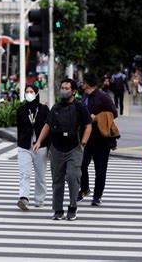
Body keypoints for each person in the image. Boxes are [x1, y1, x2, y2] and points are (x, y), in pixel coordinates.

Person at [34, 79, 92, 220]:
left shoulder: (79, 107)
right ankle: (58, 210)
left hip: (74, 148)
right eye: (62, 87)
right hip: (57, 148)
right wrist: (39, 141)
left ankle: (72, 207)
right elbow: (47, 125)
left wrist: (83, 143)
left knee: (73, 177)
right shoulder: (56, 107)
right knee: (57, 181)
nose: (64, 90)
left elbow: (88, 125)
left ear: (73, 91)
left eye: (67, 88)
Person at [78, 73, 118, 206]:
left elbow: (114, 113)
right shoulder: (84, 96)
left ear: (88, 83)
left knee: (100, 169)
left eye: (83, 82)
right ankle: (85, 188)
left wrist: (98, 117)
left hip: (101, 139)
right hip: (87, 138)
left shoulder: (103, 97)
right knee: (82, 165)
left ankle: (97, 195)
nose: (81, 84)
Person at [15, 85, 50, 211]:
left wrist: (49, 147)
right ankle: (23, 198)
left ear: (36, 94)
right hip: (24, 146)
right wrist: (20, 143)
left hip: (41, 147)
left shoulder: (44, 109)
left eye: (31, 92)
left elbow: (49, 128)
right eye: (27, 92)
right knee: (25, 174)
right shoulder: (21, 110)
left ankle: (39, 199)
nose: (29, 94)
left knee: (40, 176)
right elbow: (19, 128)